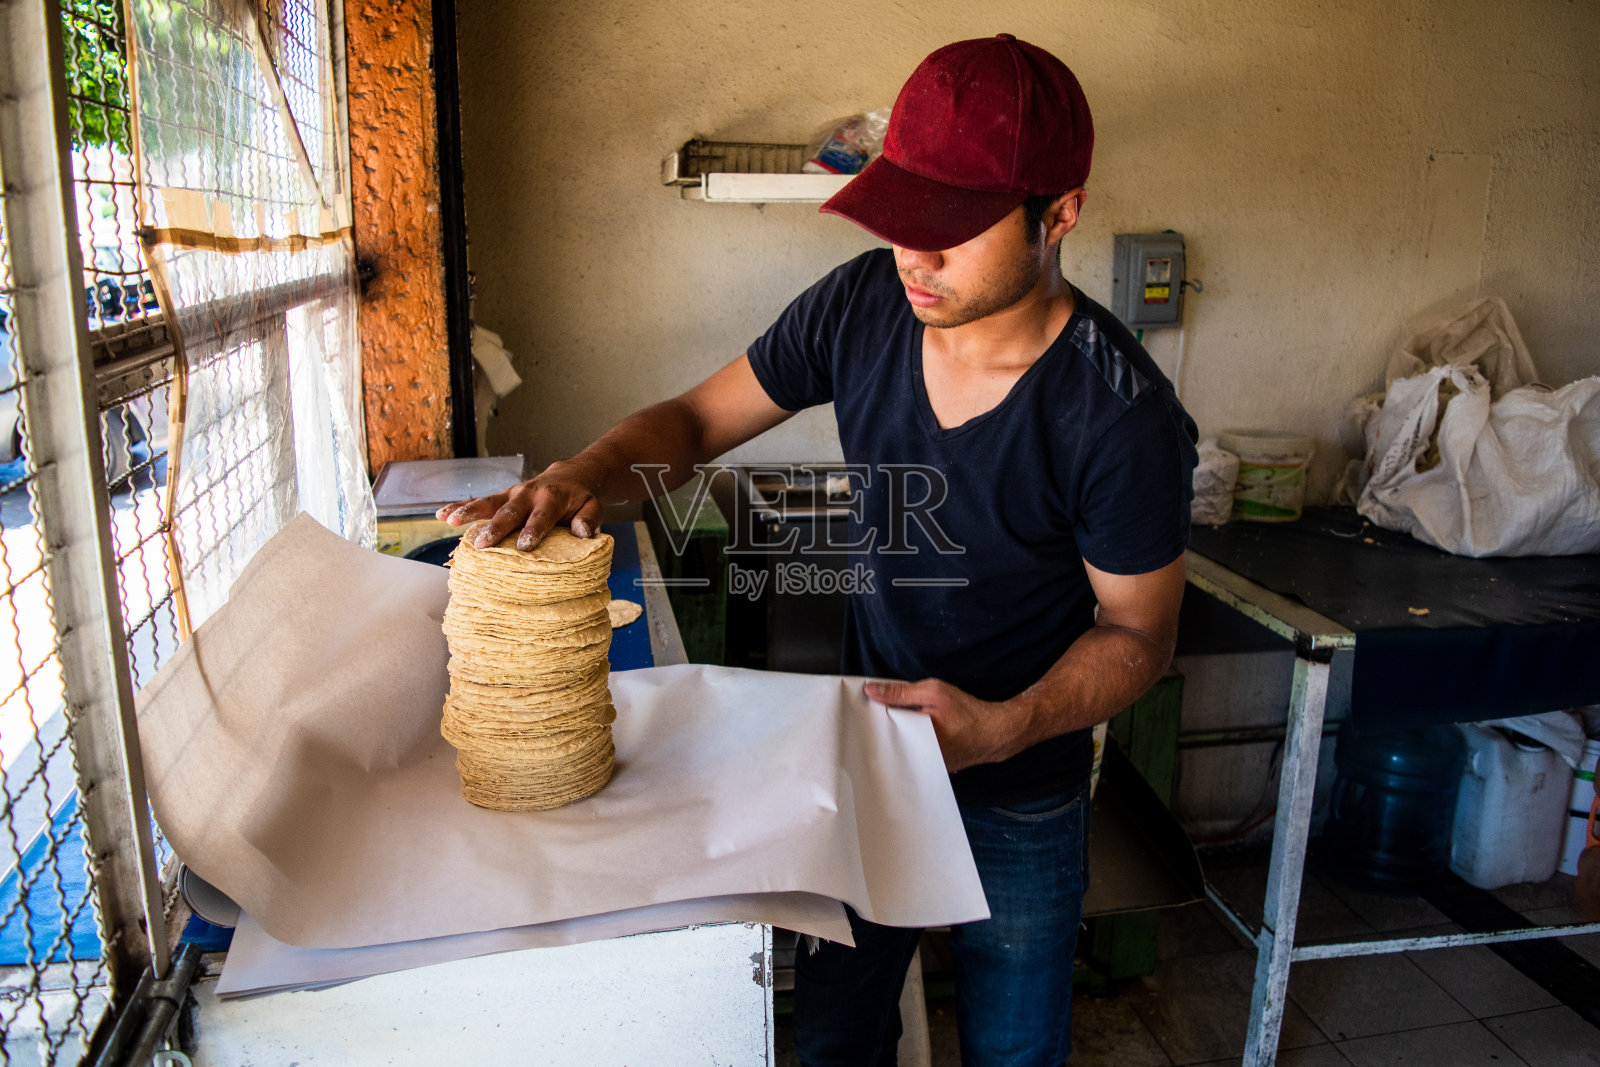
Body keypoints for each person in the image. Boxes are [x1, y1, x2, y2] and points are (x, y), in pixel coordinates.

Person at [440, 33, 1197, 1067]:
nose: (914, 259)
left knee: (1014, 1038)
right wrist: (587, 473)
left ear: (1057, 213)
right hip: (869, 755)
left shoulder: (1118, 416)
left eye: (953, 230)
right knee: (835, 1028)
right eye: (900, 224)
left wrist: (1005, 723)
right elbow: (698, 423)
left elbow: (1139, 633)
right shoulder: (863, 304)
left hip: (1023, 781)